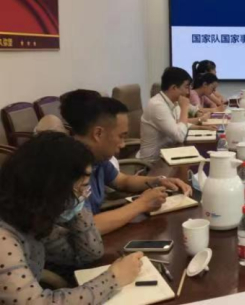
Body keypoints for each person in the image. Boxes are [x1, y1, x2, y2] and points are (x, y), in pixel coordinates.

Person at [0, 132, 143, 303]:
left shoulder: (34, 218)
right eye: (82, 187)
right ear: (52, 188)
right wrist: (114, 278)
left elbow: (90, 253)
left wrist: (77, 208)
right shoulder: (4, 236)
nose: (85, 194)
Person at [61, 89, 191, 235]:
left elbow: (122, 181)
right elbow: (86, 227)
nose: (123, 144)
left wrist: (159, 181)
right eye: (121, 136)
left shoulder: (96, 156)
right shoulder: (67, 166)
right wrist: (142, 204)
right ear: (98, 134)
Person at [140, 67, 215, 161]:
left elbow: (180, 125)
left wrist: (201, 127)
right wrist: (184, 108)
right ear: (174, 88)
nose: (187, 92)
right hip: (154, 162)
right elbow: (179, 136)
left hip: (170, 153)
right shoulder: (157, 105)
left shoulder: (173, 102)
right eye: (186, 87)